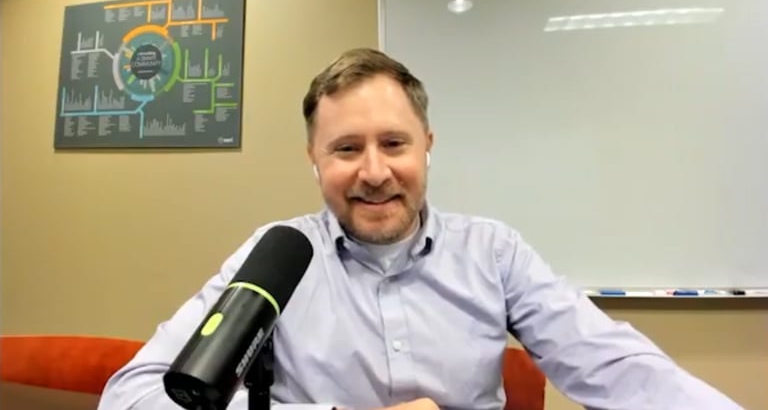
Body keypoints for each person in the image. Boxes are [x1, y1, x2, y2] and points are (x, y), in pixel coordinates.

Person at [97, 48, 743, 410]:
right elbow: (131, 397)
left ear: (428, 146)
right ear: (314, 161)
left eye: (394, 144)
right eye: (346, 149)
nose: (374, 172)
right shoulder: (277, 255)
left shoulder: (494, 251)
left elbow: (618, 367)